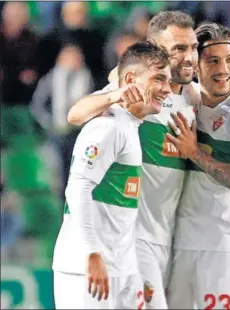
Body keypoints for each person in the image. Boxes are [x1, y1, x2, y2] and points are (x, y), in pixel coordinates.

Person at [66, 11, 199, 309]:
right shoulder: (135, 96)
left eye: (192, 47)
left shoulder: (193, 99)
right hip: (134, 242)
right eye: (179, 48)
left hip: (169, 240)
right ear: (156, 50)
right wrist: (115, 95)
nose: (189, 56)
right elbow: (75, 115)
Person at [52, 41, 172, 309]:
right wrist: (92, 254)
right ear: (130, 80)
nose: (167, 89)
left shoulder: (130, 125)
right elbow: (78, 189)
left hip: (120, 267)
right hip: (86, 269)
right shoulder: (109, 127)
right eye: (159, 79)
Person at [166, 22, 230, 309]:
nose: (223, 69)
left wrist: (195, 153)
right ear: (195, 65)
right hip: (179, 245)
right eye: (212, 61)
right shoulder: (186, 97)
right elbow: (127, 72)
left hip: (223, 246)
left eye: (229, 59)